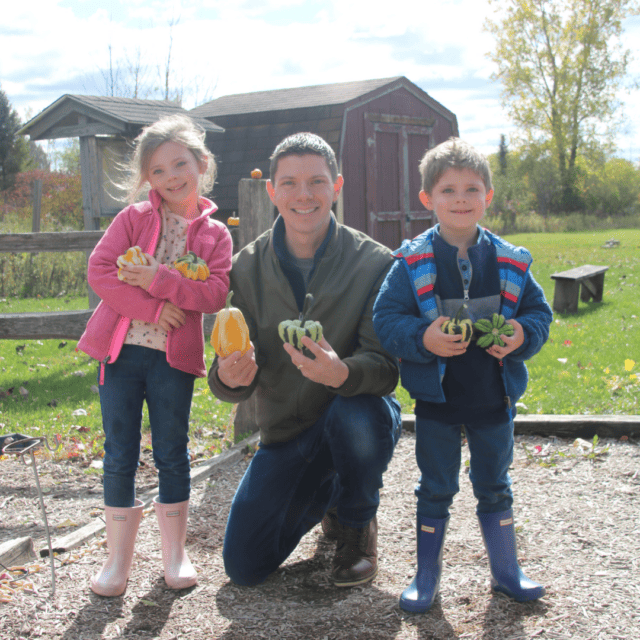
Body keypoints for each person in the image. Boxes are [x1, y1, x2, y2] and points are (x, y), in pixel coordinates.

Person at [208, 132, 402, 588]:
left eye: (316, 182)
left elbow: (388, 369)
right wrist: (229, 377)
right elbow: (223, 376)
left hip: (355, 415)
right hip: (287, 434)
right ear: (272, 191)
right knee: (245, 565)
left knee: (358, 414)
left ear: (336, 186)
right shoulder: (244, 269)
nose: (304, 195)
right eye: (290, 183)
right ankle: (331, 493)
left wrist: (342, 372)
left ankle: (356, 524)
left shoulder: (375, 263)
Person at [373, 138, 552, 612]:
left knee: (495, 483)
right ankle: (426, 575)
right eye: (448, 190)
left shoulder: (510, 260)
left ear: (488, 196)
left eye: (472, 189)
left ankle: (506, 571)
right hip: (438, 402)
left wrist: (519, 334)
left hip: (493, 399)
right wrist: (423, 338)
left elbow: (539, 314)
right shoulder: (411, 262)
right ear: (427, 199)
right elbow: (386, 319)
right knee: (436, 486)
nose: (460, 199)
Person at [78, 115, 232, 596]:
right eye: (158, 171)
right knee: (119, 452)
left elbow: (215, 293)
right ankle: (116, 561)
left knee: (171, 451)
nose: (171, 178)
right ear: (148, 178)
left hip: (173, 360)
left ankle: (175, 553)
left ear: (201, 164)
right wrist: (151, 307)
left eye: (179, 164)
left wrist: (159, 283)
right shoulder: (132, 220)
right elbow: (101, 272)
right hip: (119, 355)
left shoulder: (216, 236)